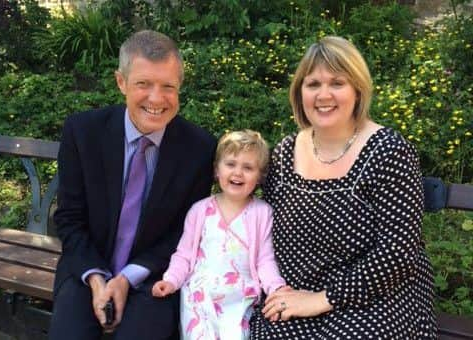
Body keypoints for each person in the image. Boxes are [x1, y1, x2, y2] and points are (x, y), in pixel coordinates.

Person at [249, 36, 437, 339]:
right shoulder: (283, 154)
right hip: (295, 294)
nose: (324, 95)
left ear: (358, 90)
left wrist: (322, 300)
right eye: (313, 84)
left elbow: (398, 252)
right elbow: (262, 229)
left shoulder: (388, 151)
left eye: (337, 83)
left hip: (376, 296)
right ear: (300, 93)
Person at [49, 30, 216, 340]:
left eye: (168, 86)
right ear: (121, 82)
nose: (156, 98)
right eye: (143, 84)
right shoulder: (83, 132)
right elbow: (69, 219)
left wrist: (126, 279)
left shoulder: (199, 148)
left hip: (154, 275)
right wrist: (99, 281)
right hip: (87, 268)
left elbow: (185, 232)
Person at [151, 130, 285, 339]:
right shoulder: (200, 210)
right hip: (199, 295)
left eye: (248, 168)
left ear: (260, 176)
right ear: (216, 170)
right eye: (230, 164)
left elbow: (265, 260)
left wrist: (276, 288)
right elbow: (184, 255)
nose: (238, 173)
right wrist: (171, 280)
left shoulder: (262, 213)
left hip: (239, 297)